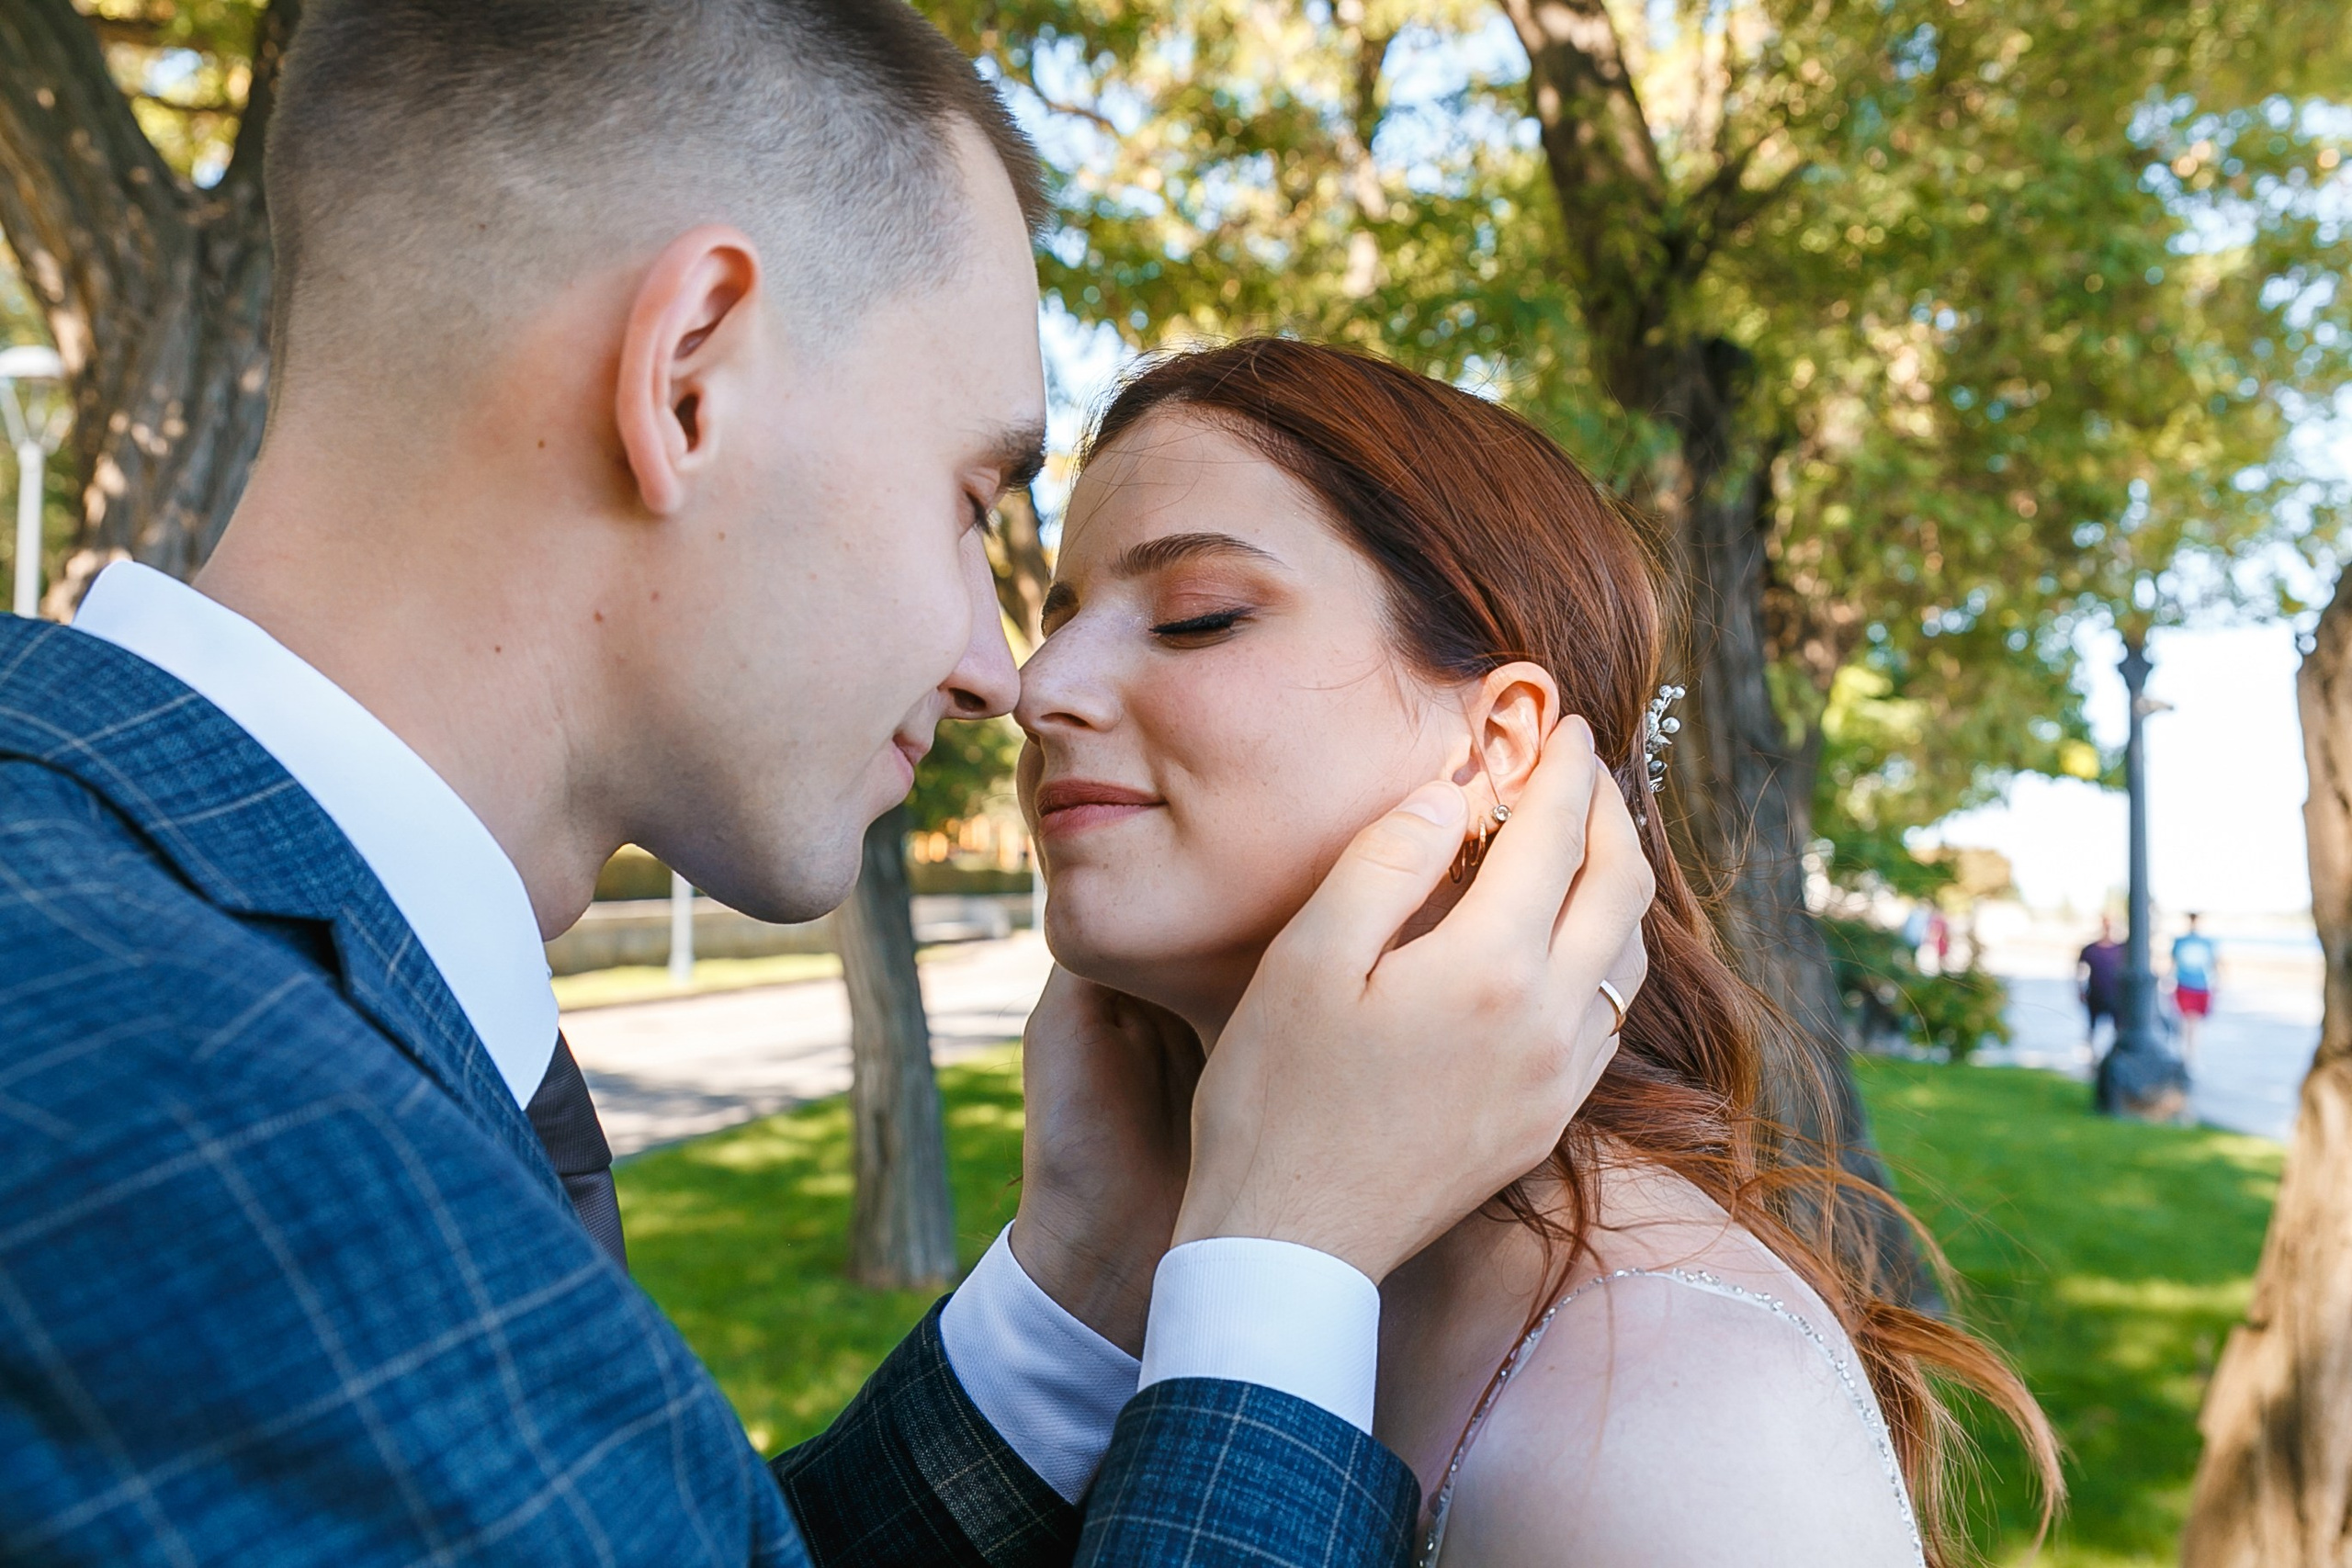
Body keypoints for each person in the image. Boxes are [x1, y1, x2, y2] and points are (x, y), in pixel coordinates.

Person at [0, 6, 1652, 1565]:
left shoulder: (158, 956)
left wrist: (1082, 1288)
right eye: (969, 495)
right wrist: (1285, 1271)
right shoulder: (188, 1116)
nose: (1003, 672)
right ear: (689, 376)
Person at [1014, 339, 2064, 1568]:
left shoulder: (1675, 1407)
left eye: (1198, 615)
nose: (1039, 686)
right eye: (1062, 615)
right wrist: (1083, 1270)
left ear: (1499, 742)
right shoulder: (1185, 1255)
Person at [2172, 912, 2220, 1068]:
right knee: (2186, 1022)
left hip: (2200, 986)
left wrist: (2217, 981)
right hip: (2184, 985)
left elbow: (2215, 963)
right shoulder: (2180, 941)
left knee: (2194, 1023)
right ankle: (2187, 1053)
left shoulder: (2207, 942)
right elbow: (2173, 962)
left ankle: (2190, 1053)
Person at [2077, 917, 2125, 1062]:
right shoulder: (2090, 950)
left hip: (2115, 996)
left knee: (2117, 1028)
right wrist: (2080, 990)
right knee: (2092, 1028)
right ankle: (2092, 1057)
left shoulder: (2121, 948)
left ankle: (2115, 1056)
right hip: (2095, 995)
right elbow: (2080, 970)